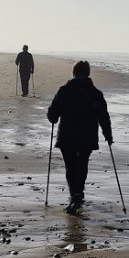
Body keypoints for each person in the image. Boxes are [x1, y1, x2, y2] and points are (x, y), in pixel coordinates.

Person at [47, 60, 113, 215]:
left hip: (67, 135)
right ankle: (79, 192)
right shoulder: (96, 93)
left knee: (70, 166)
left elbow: (52, 114)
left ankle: (75, 195)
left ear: (74, 73)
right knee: (82, 164)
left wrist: (52, 117)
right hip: (87, 136)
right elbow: (104, 117)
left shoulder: (65, 90)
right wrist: (108, 135)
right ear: (88, 73)